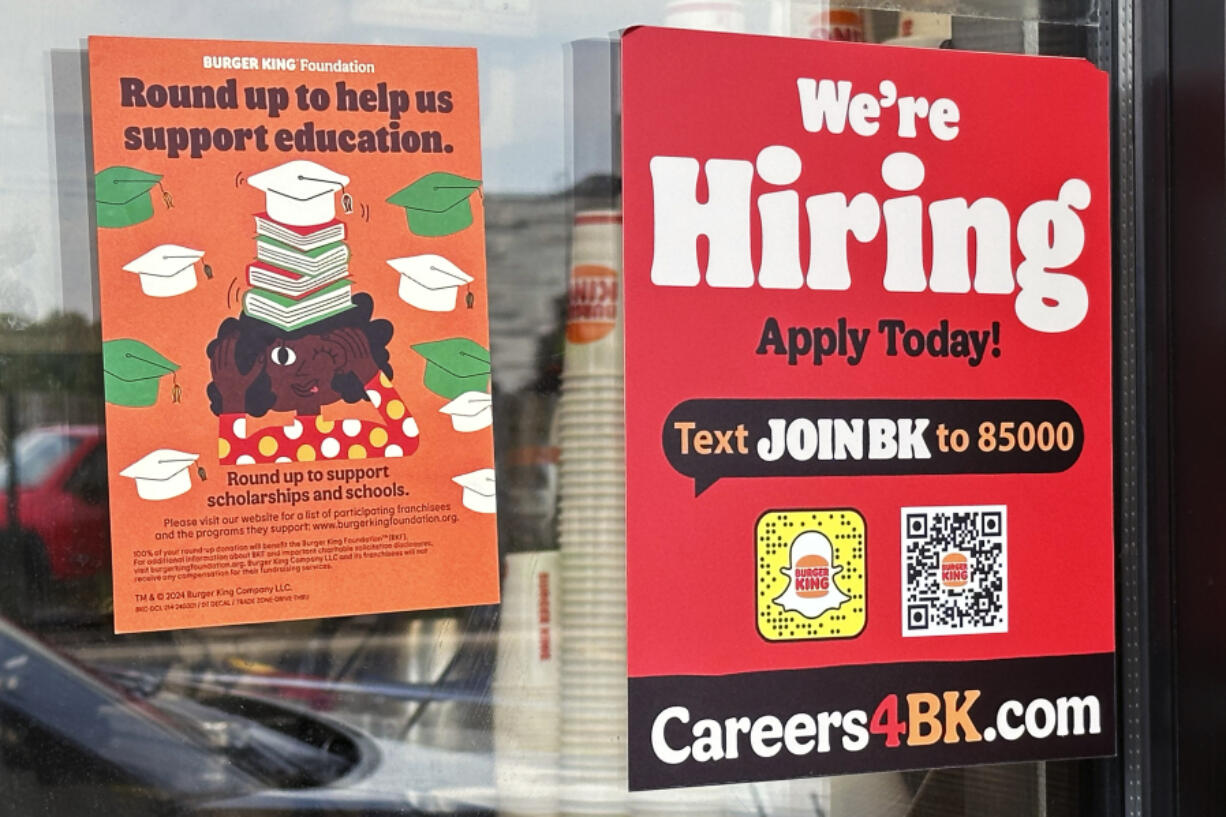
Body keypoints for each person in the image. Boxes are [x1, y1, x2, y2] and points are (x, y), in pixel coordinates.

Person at [207, 293, 419, 464]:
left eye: (325, 354)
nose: (305, 371)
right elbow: (232, 457)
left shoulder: (350, 437)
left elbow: (407, 441)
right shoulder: (273, 443)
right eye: (283, 357)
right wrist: (234, 396)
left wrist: (367, 370)